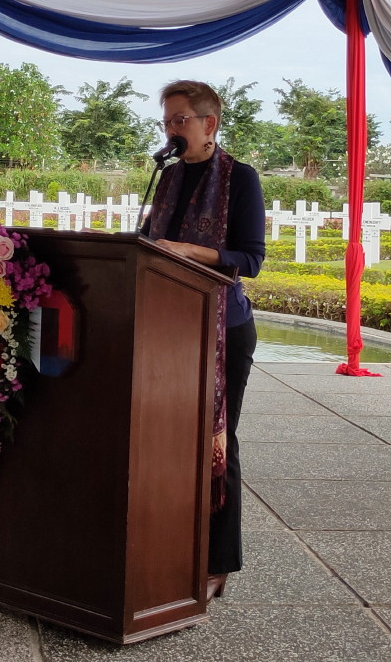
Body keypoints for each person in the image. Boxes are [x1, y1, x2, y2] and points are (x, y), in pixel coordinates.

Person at [140, 80, 265, 602]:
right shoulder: (166, 178)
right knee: (163, 441)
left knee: (217, 441)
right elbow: (148, 242)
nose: (172, 130)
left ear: (210, 124)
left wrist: (191, 251)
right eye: (167, 120)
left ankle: (219, 561)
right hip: (165, 325)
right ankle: (164, 541)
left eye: (181, 120)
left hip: (223, 328)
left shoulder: (242, 179)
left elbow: (251, 260)